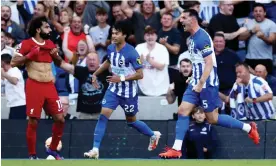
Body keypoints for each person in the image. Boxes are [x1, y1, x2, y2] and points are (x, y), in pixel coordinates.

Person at [159, 9, 260, 159]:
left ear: (193, 20)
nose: (180, 21)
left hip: (207, 85)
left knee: (213, 119)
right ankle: (176, 149)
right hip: (196, 82)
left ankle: (248, 127)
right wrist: (193, 77)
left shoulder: (202, 38)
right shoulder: (192, 38)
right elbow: (198, 63)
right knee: (182, 110)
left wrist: (200, 83)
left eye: (184, 18)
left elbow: (209, 63)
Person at [82, 20, 161, 159]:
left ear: (124, 35)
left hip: (129, 93)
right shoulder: (111, 48)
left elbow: (140, 74)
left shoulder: (132, 52)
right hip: (113, 90)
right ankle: (95, 149)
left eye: (117, 33)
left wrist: (121, 78)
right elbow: (108, 61)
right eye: (112, 32)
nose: (113, 35)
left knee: (131, 122)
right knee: (103, 117)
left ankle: (153, 135)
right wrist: (95, 74)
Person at [10, 16, 65, 160]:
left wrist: (56, 57)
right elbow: (13, 62)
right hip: (34, 85)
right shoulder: (26, 44)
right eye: (47, 27)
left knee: (60, 119)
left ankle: (52, 150)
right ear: (38, 30)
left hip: (49, 86)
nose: (49, 29)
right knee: (33, 121)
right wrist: (29, 56)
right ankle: (32, 155)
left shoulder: (50, 44)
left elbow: (59, 63)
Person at [1, 54, 26, 119]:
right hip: (13, 104)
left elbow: (14, 81)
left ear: (3, 62)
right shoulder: (7, 72)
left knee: (18, 126)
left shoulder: (14, 70)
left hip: (19, 104)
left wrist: (4, 75)